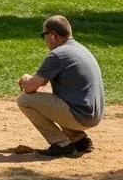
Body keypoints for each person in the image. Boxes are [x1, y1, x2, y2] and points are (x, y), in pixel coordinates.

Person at [17, 15, 104, 157]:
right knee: (56, 98)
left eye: (43, 35)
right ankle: (80, 140)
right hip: (94, 114)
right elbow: (43, 82)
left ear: (53, 35)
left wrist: (25, 80)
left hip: (80, 116)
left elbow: (29, 88)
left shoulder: (58, 55)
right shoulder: (81, 49)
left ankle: (61, 144)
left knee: (24, 100)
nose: (44, 40)